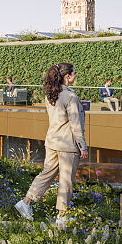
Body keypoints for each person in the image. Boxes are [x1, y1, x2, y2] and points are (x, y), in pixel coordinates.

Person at [15, 62, 88, 227]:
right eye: (74, 73)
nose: (76, 76)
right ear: (67, 76)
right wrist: (82, 146)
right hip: (68, 144)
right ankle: (62, 215)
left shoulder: (51, 93)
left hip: (53, 141)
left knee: (47, 174)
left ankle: (25, 203)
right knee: (66, 180)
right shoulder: (70, 96)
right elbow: (75, 124)